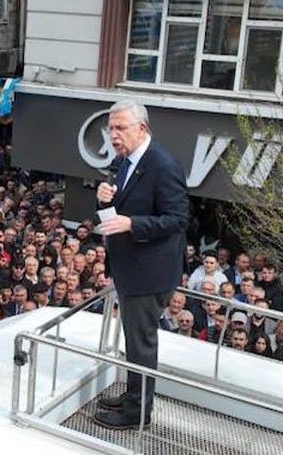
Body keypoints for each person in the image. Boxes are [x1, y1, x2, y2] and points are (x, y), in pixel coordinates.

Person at [94, 100, 189, 429]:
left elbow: (177, 219)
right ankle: (134, 398)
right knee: (134, 344)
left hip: (148, 274)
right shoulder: (125, 161)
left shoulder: (163, 165)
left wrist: (132, 223)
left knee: (141, 346)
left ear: (142, 128)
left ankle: (136, 416)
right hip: (131, 268)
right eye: (111, 129)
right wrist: (105, 197)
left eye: (121, 128)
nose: (114, 135)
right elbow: (122, 205)